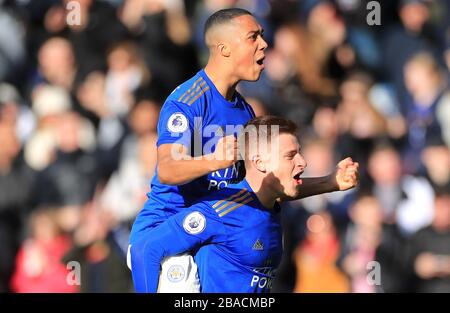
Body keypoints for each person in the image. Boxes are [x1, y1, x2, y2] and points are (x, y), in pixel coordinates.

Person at [129, 8, 355, 292]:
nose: (264, 44)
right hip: (169, 237)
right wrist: (214, 161)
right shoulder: (187, 101)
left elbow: (268, 183)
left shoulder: (245, 112)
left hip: (217, 231)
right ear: (224, 48)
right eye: (253, 37)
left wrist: (330, 182)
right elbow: (168, 169)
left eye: (262, 35)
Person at [130, 116, 359, 292]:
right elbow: (145, 249)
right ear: (259, 162)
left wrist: (331, 182)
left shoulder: (271, 205)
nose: (303, 161)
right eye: (291, 156)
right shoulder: (221, 211)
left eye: (299, 153)